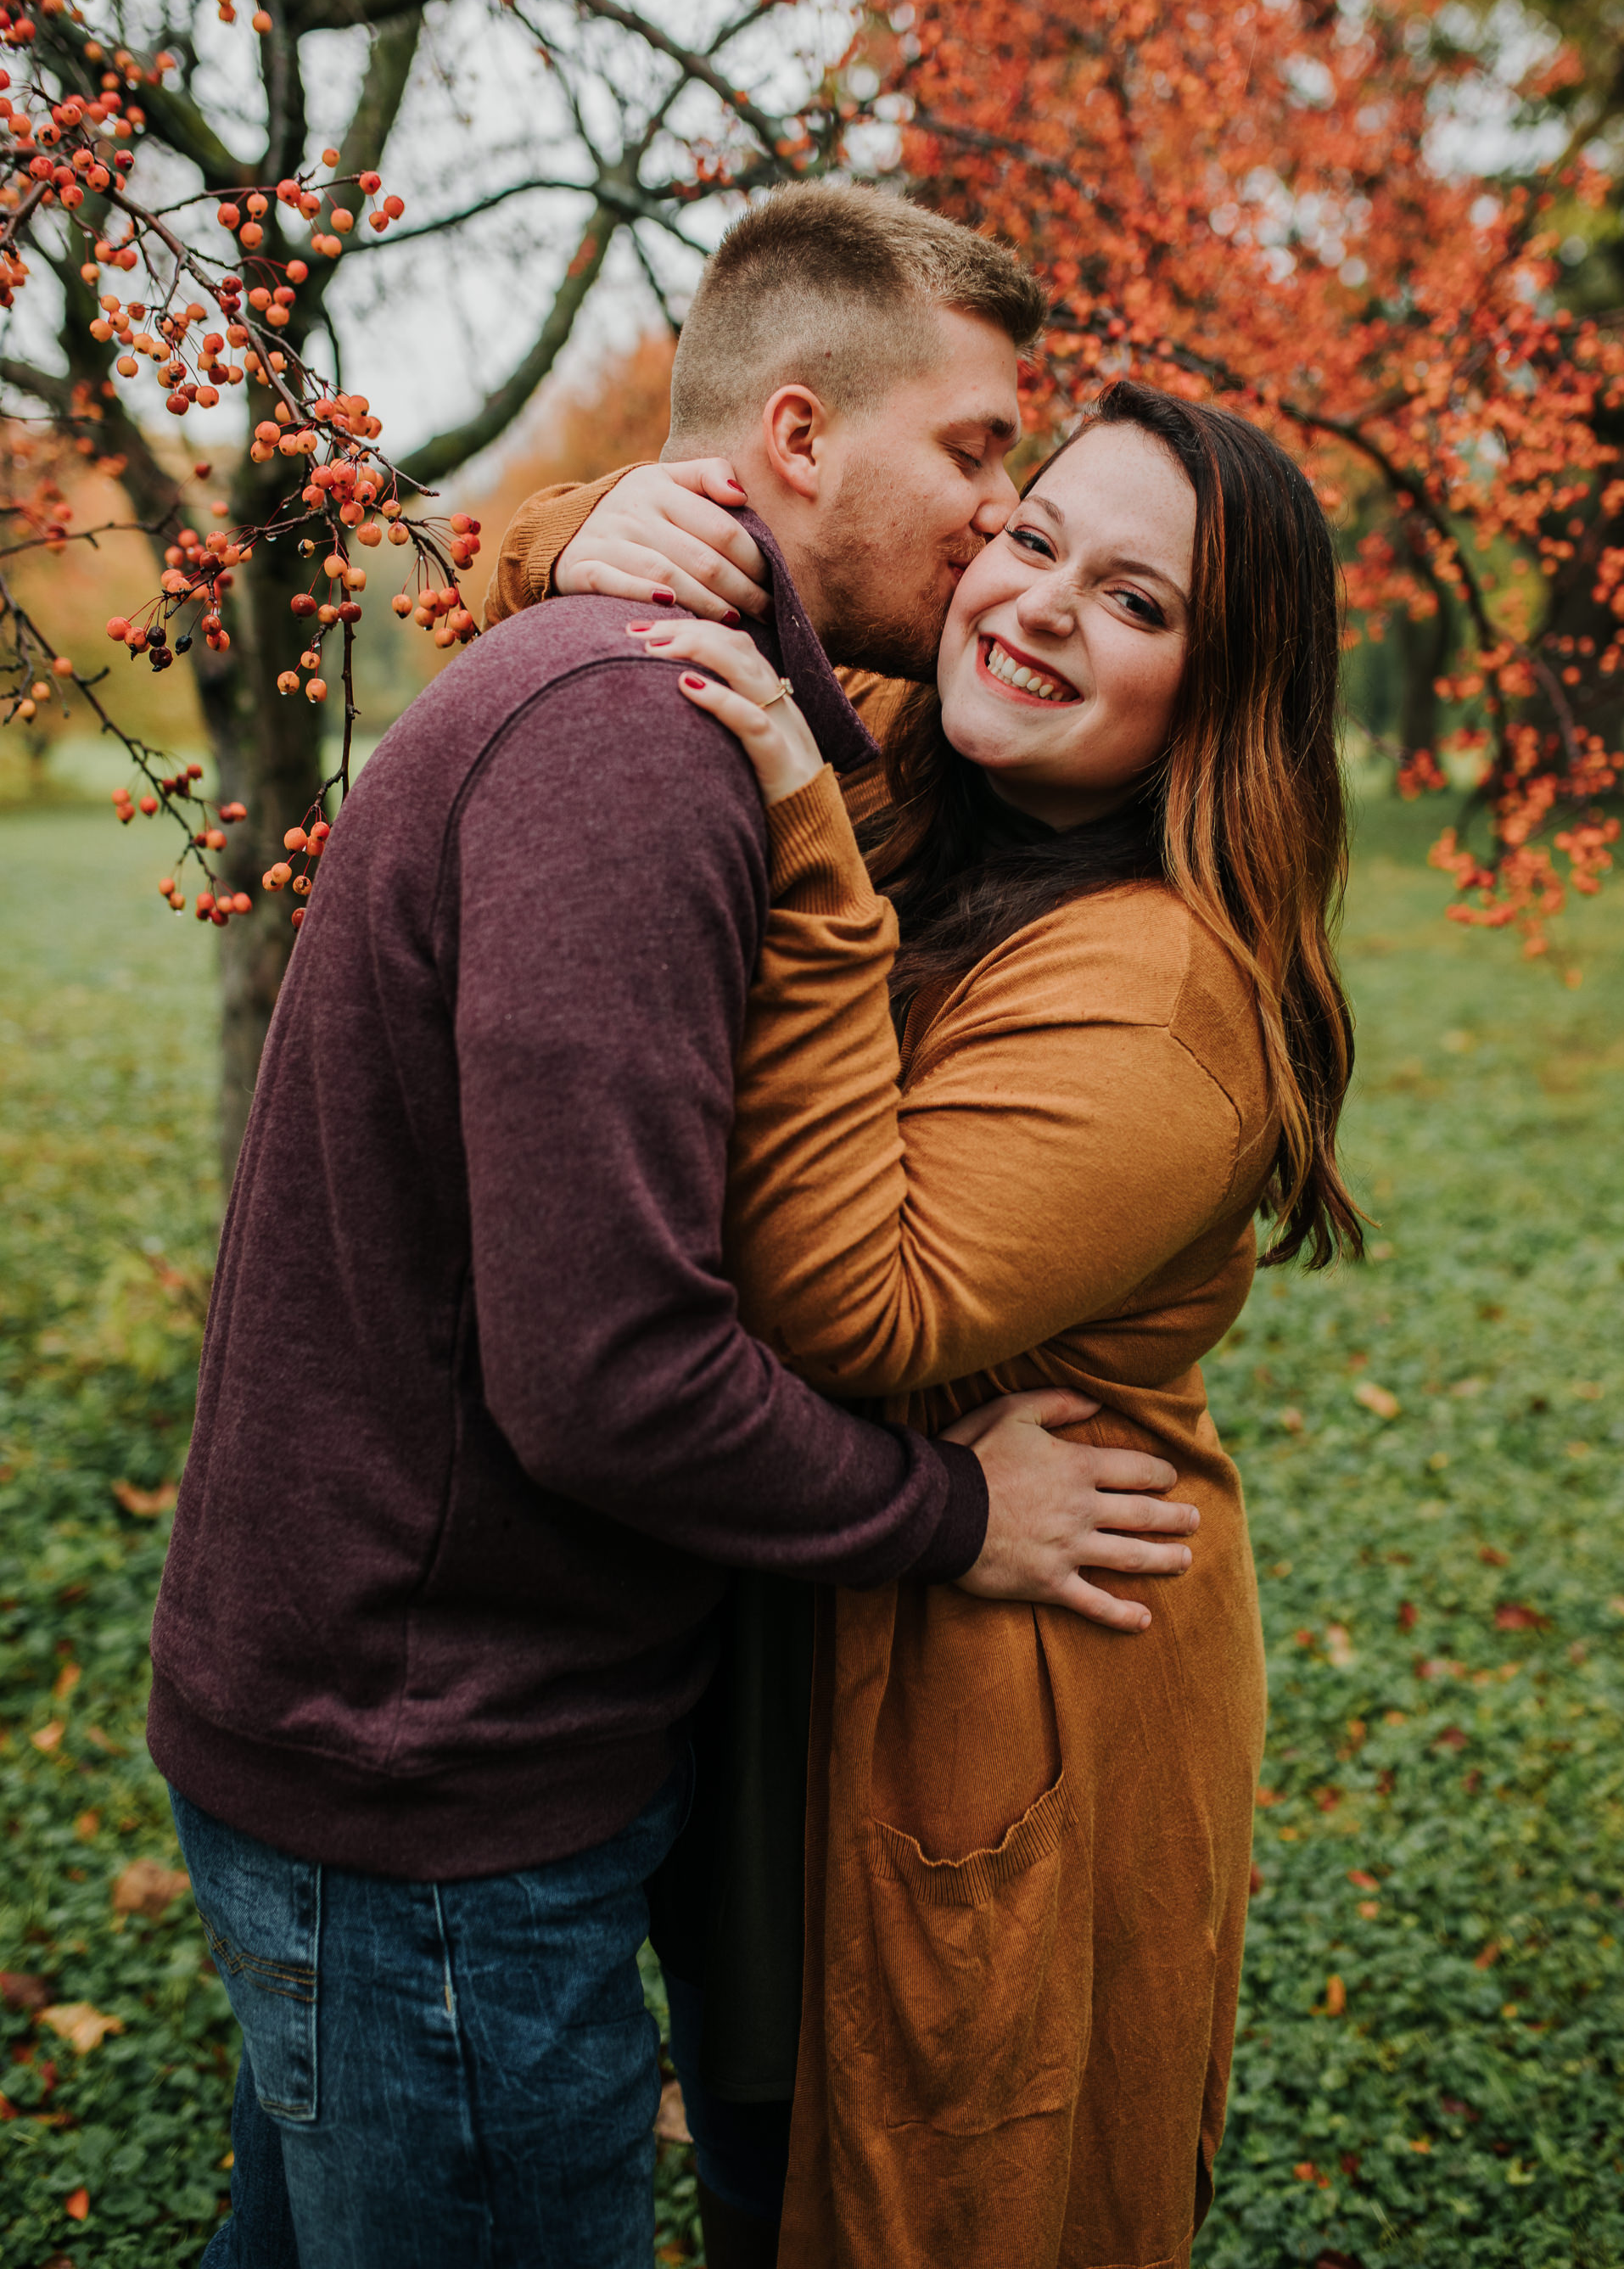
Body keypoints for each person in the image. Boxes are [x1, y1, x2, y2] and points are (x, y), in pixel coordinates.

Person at [148, 186, 1199, 2269]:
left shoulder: (769, 714)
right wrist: (949, 1514)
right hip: (435, 1778)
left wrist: (571, 525)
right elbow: (613, 1379)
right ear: (799, 445)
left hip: (445, 1735)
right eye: (985, 461)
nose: (1001, 531)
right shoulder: (646, 743)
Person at [500, 374, 1361, 2266]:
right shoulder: (919, 757)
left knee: (923, 2173)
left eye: (1137, 603)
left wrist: (807, 857)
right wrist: (574, 531)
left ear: (1218, 698)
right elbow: (708, 547)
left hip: (1007, 1658)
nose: (1042, 603)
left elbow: (857, 1306)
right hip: (811, 1596)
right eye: (1035, 537)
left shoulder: (1161, 996)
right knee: (763, 2125)